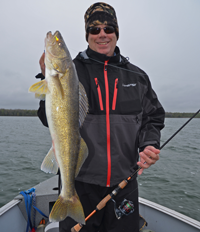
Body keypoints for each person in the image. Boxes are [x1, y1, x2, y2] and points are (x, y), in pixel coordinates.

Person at [36, 2, 165, 232]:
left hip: (125, 184)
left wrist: (149, 144)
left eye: (108, 28)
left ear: (116, 33)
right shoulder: (71, 71)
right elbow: (48, 119)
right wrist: (47, 79)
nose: (102, 34)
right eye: (95, 30)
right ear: (87, 35)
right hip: (81, 182)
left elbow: (153, 117)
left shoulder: (138, 76)